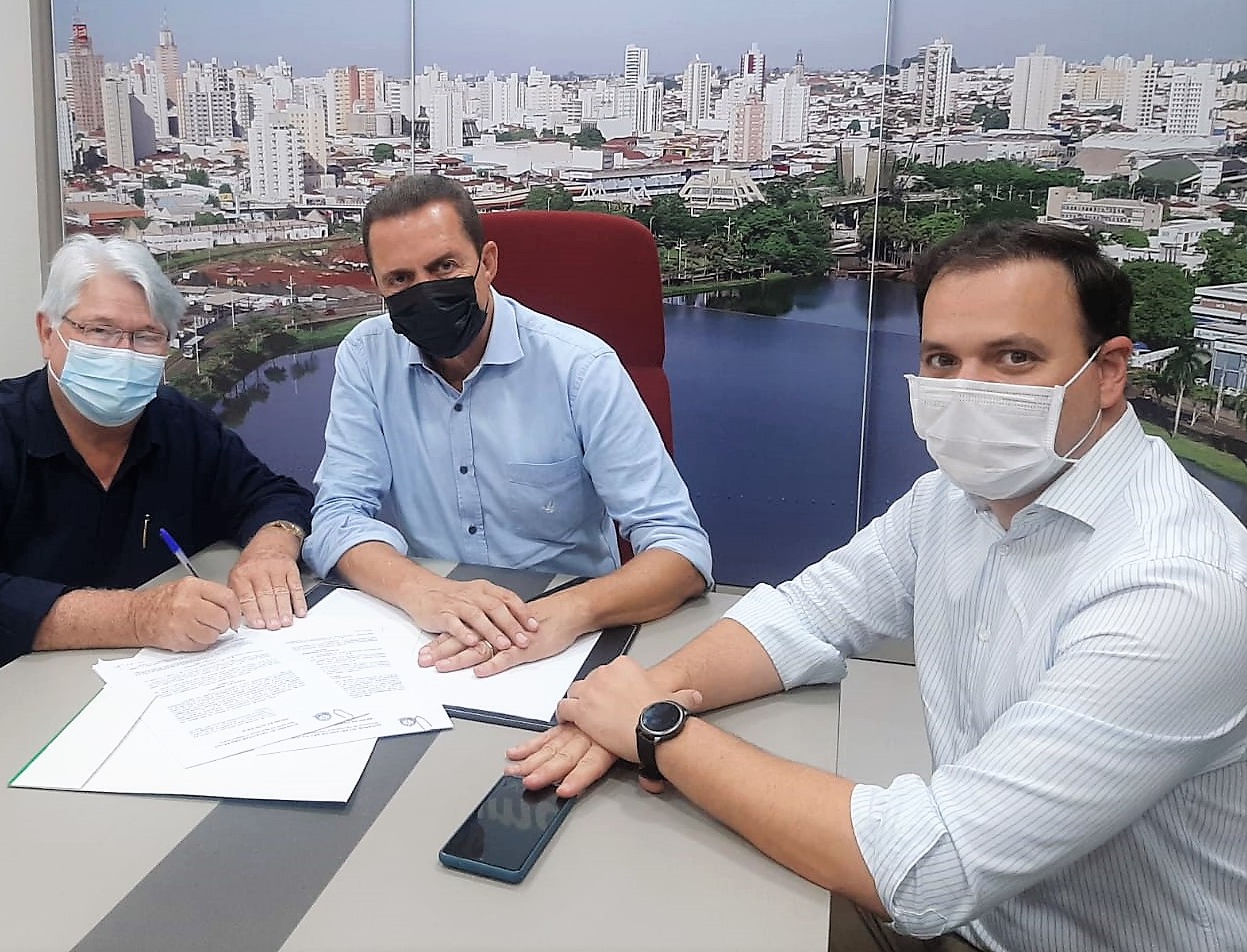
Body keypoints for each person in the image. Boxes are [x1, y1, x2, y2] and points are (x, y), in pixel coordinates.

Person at [508, 222, 1247, 951]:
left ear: (1111, 372)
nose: (968, 391)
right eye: (942, 360)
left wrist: (655, 732)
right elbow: (805, 617)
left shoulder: (1176, 588)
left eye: (1014, 358)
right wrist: (642, 697)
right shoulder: (950, 502)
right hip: (973, 918)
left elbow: (931, 869)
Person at [0, 234, 315, 757]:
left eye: (146, 337)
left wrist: (273, 545)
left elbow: (272, 493)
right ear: (49, 333)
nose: (124, 354)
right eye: (101, 331)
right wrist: (139, 616)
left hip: (113, 697)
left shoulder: (176, 422)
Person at [304, 174, 712, 677]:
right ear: (378, 286)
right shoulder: (367, 358)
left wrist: (566, 613)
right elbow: (338, 513)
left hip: (571, 635)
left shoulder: (580, 367)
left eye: (444, 267)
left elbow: (680, 549)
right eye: (400, 280)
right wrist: (420, 590)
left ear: (488, 262)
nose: (424, 292)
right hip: (433, 630)